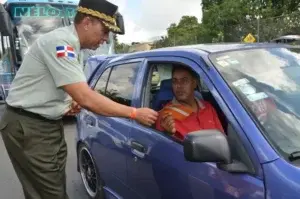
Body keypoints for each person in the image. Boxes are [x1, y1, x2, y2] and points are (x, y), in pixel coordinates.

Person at [0, 0, 158, 198]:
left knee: (44, 188)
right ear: (87, 22)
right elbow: (86, 97)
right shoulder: (60, 44)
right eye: (105, 31)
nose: (106, 39)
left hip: (43, 124)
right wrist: (134, 113)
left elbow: (65, 88)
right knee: (50, 193)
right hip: (30, 126)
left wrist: (66, 104)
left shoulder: (75, 49)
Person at [156, 65, 224, 140]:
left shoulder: (207, 107)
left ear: (194, 83)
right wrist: (168, 134)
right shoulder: (166, 116)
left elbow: (222, 137)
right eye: (175, 81)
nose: (178, 86)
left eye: (184, 81)